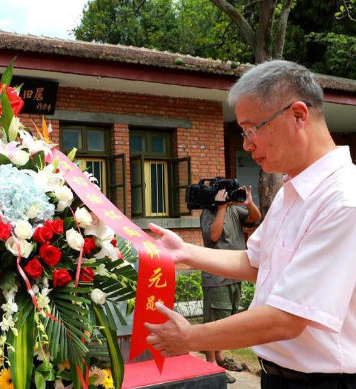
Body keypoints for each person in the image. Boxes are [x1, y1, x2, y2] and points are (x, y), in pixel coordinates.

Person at [145, 60, 356, 389]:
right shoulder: (292, 192)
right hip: (278, 377)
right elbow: (253, 261)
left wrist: (189, 338)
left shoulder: (343, 200)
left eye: (252, 129)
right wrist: (184, 252)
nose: (246, 144)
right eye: (243, 132)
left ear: (298, 115)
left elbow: (287, 319)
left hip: (327, 381)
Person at [199, 187, 261, 384]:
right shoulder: (208, 213)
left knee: (226, 320)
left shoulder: (235, 210)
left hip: (234, 275)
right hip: (216, 278)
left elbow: (255, 218)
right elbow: (214, 236)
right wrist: (221, 208)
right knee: (213, 323)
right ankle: (211, 366)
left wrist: (249, 203)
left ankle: (220, 357)